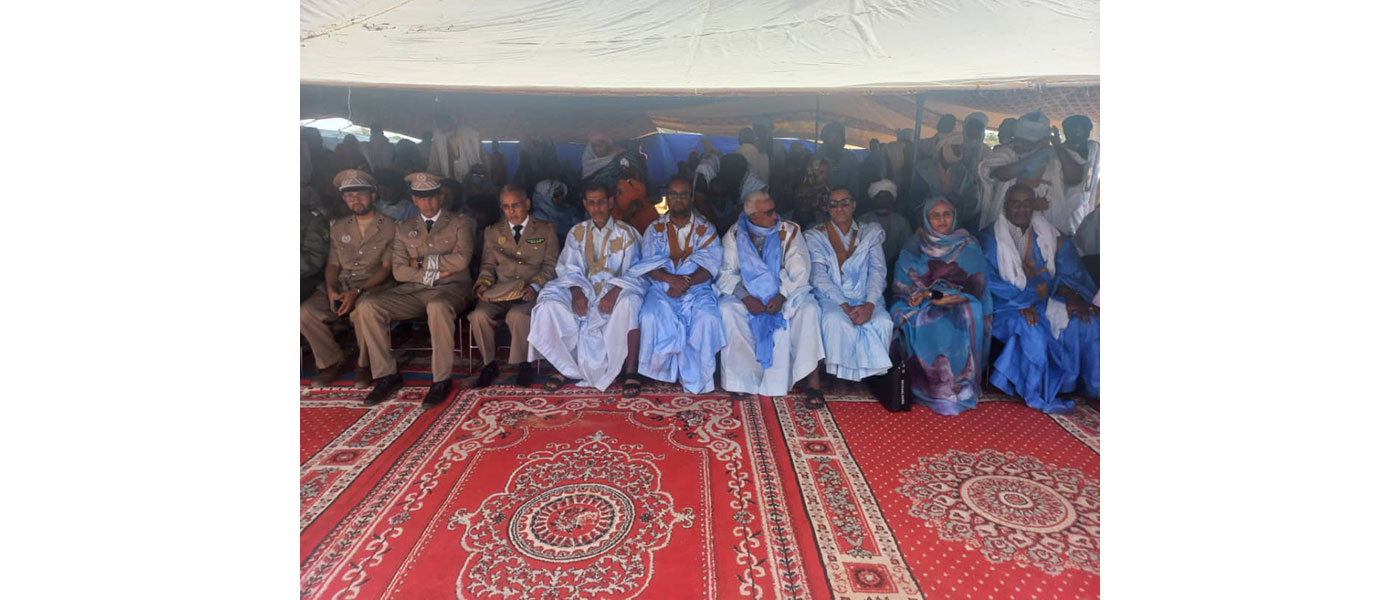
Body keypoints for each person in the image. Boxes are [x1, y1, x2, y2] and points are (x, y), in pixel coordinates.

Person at [353, 173, 478, 408]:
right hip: (414, 290)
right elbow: (399, 271)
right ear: (414, 200)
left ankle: (441, 380)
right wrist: (434, 272)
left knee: (437, 306)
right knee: (368, 305)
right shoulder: (404, 228)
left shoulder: (460, 222)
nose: (427, 203)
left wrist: (419, 263)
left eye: (432, 197)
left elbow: (461, 261)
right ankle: (387, 375)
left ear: (441, 197)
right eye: (421, 198)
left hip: (453, 288)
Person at [980, 185, 1099, 414]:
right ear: (1005, 206)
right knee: (1032, 329)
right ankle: (1038, 390)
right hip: (1005, 306)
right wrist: (1022, 303)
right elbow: (988, 281)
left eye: (1027, 203)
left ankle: (1086, 386)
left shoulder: (1049, 234)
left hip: (1047, 301)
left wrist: (1071, 295)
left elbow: (1068, 270)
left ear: (1034, 205)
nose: (1021, 208)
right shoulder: (990, 238)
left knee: (1088, 322)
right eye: (1016, 203)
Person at [528, 183, 648, 395]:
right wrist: (577, 294)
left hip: (616, 290)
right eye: (591, 203)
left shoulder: (626, 233)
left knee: (631, 302)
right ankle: (564, 368)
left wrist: (614, 293)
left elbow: (636, 271)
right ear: (585, 204)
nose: (597, 207)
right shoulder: (577, 232)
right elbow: (567, 268)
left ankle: (631, 372)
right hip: (583, 289)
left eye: (601, 202)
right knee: (548, 305)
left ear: (610, 202)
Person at [715, 191, 825, 405]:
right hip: (749, 297)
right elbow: (725, 272)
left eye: (775, 210)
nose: (776, 216)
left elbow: (800, 270)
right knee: (727, 309)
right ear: (754, 217)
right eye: (770, 212)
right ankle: (741, 381)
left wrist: (782, 295)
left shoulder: (789, 231)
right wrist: (747, 298)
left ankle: (813, 382)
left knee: (810, 309)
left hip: (785, 293)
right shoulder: (735, 233)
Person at [890, 197, 992, 415]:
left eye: (946, 214)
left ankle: (960, 385)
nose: (942, 220)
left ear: (954, 217)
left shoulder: (968, 245)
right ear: (926, 219)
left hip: (960, 299)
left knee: (965, 314)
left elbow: (976, 287)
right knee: (923, 320)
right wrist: (925, 295)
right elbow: (901, 283)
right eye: (935, 216)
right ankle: (934, 387)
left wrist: (946, 296)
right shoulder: (915, 244)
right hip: (921, 300)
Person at [629, 176, 726, 394]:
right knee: (649, 316)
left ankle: (697, 375)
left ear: (691, 198)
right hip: (662, 287)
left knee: (708, 318)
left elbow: (710, 266)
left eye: (683, 195)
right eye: (674, 194)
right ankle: (660, 372)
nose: (678, 199)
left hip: (697, 288)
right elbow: (648, 265)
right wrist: (671, 280)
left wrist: (684, 283)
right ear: (668, 197)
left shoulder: (706, 229)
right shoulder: (654, 229)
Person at [301, 169, 398, 388]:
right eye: (350, 196)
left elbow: (386, 268)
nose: (356, 200)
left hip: (374, 285)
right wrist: (331, 289)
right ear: (344, 199)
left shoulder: (391, 226)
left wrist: (357, 291)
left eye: (361, 194)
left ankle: (365, 364)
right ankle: (331, 362)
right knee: (305, 312)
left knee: (363, 310)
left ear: (373, 195)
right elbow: (333, 264)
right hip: (342, 283)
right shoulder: (338, 226)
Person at [468, 185, 561, 389]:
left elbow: (551, 265)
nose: (511, 211)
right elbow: (488, 265)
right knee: (478, 316)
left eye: (516, 205)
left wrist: (535, 286)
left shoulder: (546, 229)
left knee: (517, 316)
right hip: (500, 291)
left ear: (527, 204)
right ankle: (489, 364)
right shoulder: (493, 232)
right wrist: (483, 285)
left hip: (530, 290)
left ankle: (524, 364)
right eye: (506, 206)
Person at [805, 187, 893, 385]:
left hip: (866, 296)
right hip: (832, 297)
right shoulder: (815, 235)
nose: (840, 208)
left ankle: (870, 379)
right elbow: (818, 276)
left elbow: (877, 271)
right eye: (833, 204)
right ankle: (838, 377)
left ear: (853, 205)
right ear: (828, 208)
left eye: (845, 203)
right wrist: (845, 305)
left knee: (882, 322)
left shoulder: (869, 232)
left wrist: (869, 305)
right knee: (835, 320)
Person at [977, 112, 1084, 233]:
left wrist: (1058, 147)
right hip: (1005, 229)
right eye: (1018, 140)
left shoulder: (1056, 158)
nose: (1019, 144)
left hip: (1048, 230)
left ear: (1042, 142)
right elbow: (1002, 174)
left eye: (1026, 143)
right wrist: (1034, 157)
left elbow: (1075, 179)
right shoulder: (1006, 153)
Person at [696, 153, 765, 234]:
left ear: (742, 176)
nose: (729, 183)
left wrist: (724, 224)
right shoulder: (707, 168)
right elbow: (698, 199)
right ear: (720, 171)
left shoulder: (753, 182)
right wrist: (716, 223)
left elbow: (745, 209)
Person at [857, 180, 912, 267]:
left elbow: (908, 249)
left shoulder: (902, 222)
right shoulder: (863, 220)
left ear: (892, 199)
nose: (883, 200)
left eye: (886, 197)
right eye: (879, 197)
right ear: (873, 199)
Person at [1061, 115, 1100, 235]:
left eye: (1082, 131)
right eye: (1072, 130)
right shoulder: (1060, 152)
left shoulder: (1093, 147)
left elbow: (1084, 159)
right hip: (1065, 201)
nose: (1077, 134)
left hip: (1086, 200)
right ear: (1066, 132)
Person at [816, 122, 861, 207]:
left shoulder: (850, 158)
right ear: (824, 140)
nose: (834, 141)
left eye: (838, 138)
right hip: (822, 205)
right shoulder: (817, 157)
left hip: (845, 204)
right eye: (830, 138)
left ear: (843, 140)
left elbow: (855, 186)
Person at [531, 179, 577, 244]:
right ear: (545, 198)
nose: (561, 198)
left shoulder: (569, 210)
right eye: (556, 195)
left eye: (562, 194)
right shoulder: (539, 217)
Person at [790, 157, 831, 229]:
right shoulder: (798, 187)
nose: (817, 175)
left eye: (822, 172)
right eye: (815, 172)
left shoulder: (832, 193)